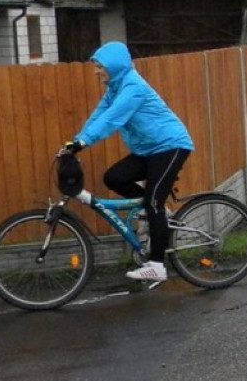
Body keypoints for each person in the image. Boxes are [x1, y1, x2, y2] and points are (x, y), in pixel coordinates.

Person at [62, 41, 194, 282]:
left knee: (153, 201)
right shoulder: (115, 88)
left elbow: (112, 119)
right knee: (114, 178)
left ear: (114, 66)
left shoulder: (133, 88)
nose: (96, 71)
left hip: (170, 146)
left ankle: (157, 265)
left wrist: (83, 143)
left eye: (100, 66)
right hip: (148, 149)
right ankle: (155, 212)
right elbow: (98, 115)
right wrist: (75, 142)